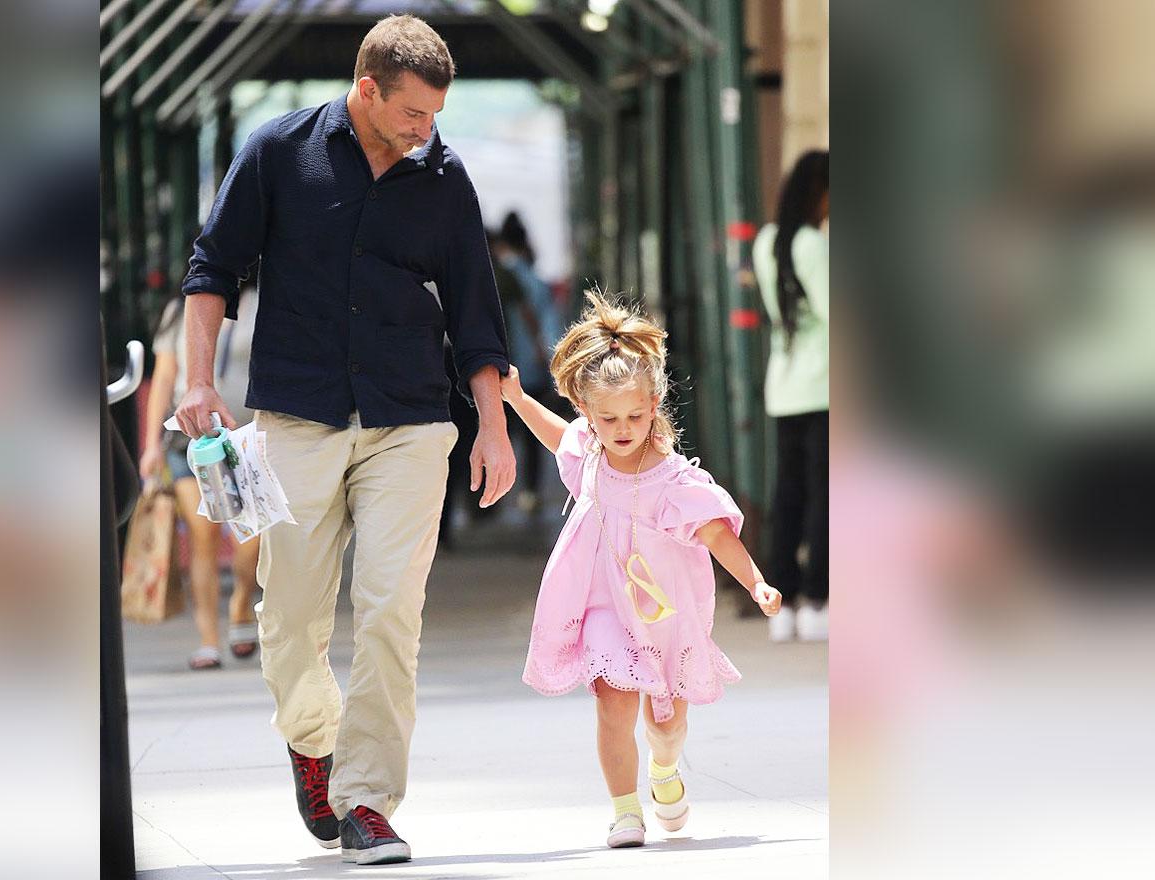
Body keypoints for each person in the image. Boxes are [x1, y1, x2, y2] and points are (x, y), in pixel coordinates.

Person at [173, 15, 515, 866]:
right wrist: (196, 381)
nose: (425, 130)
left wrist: (494, 428)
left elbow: (477, 310)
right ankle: (313, 741)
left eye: (435, 115)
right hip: (299, 414)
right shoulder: (278, 153)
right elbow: (212, 267)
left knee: (392, 612)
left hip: (411, 418)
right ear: (367, 91)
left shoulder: (442, 174)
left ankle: (368, 802)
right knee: (289, 620)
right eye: (413, 113)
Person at [499, 290, 782, 848]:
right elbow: (558, 435)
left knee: (667, 725)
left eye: (633, 415)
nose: (622, 428)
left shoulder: (675, 482)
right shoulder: (590, 452)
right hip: (604, 607)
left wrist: (756, 582)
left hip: (662, 618)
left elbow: (718, 534)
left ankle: (664, 769)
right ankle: (625, 810)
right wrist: (515, 399)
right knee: (613, 701)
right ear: (589, 412)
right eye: (607, 418)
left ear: (654, 407)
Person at [139, 290, 261, 669]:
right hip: (188, 441)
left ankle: (242, 602)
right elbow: (164, 378)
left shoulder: (263, 301)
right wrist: (151, 446)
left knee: (252, 540)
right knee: (202, 534)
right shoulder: (180, 310)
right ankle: (209, 640)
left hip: (247, 439)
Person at [751, 150, 829, 642]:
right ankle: (819, 600)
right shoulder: (813, 245)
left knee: (790, 495)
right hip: (823, 384)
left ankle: (782, 604)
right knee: (826, 498)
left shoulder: (766, 242)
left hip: (784, 385)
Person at [494, 212, 565, 514]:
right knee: (534, 429)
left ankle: (496, 489)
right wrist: (542, 349)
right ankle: (530, 491)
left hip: (505, 362)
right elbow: (541, 316)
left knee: (503, 427)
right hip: (530, 363)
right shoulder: (531, 277)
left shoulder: (501, 272)